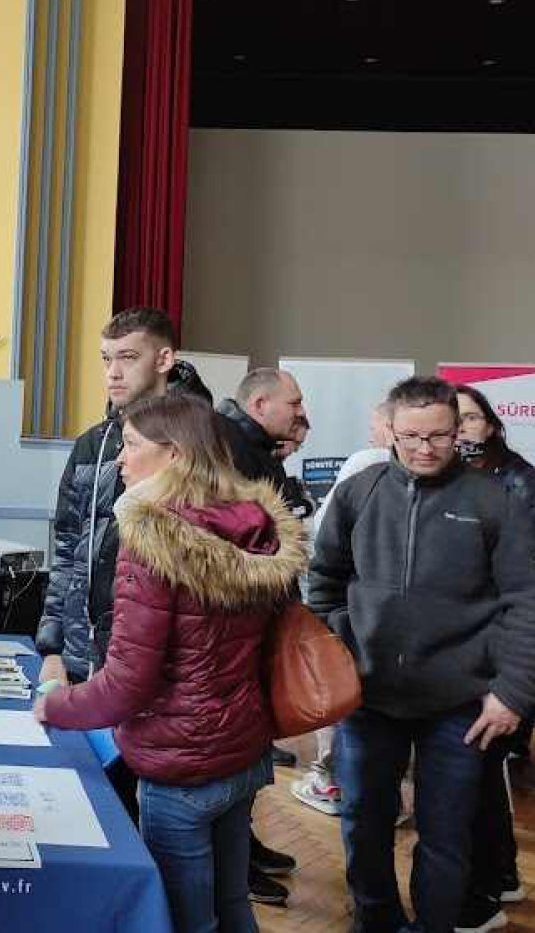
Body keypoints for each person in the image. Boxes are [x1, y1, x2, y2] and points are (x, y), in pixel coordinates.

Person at [35, 394, 307, 933]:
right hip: (242, 752)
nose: (120, 459)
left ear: (176, 456)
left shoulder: (155, 540)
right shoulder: (254, 524)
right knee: (233, 906)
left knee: (185, 920)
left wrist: (55, 706)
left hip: (181, 768)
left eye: (132, 446)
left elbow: (128, 684)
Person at [307, 376, 535, 933]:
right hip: (368, 699)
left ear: (459, 429)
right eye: (412, 436)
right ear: (389, 431)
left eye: (439, 436)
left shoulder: (495, 501)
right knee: (363, 823)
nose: (425, 448)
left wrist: (513, 693)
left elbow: (531, 601)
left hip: (461, 706)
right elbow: (322, 582)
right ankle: (375, 921)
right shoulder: (359, 492)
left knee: (447, 835)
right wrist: (339, 651)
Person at [34, 306, 208, 819]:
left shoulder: (206, 439)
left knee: (164, 835)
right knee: (97, 813)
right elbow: (68, 547)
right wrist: (53, 645)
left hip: (169, 681)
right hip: (92, 662)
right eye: (106, 358)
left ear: (165, 359)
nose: (112, 372)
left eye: (127, 358)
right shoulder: (94, 442)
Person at [451, 383, 535, 933]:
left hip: (500, 657)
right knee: (483, 771)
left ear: (492, 425)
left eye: (471, 419)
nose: (460, 429)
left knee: (477, 772)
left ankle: (483, 895)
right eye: (451, 420)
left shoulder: (523, 482)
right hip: (474, 652)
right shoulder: (466, 481)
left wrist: (522, 668)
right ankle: (499, 879)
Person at [217, 368, 314, 900]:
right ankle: (234, 865)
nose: (300, 412)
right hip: (241, 626)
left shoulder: (256, 450)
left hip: (260, 619)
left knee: (252, 750)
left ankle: (244, 847)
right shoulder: (232, 450)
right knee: (238, 753)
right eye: (293, 402)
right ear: (259, 404)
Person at [292, 401, 395, 817]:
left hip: (352, 607)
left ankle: (331, 782)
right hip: (390, 619)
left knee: (342, 693)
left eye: (375, 426)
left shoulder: (366, 463)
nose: (371, 434)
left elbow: (325, 533)